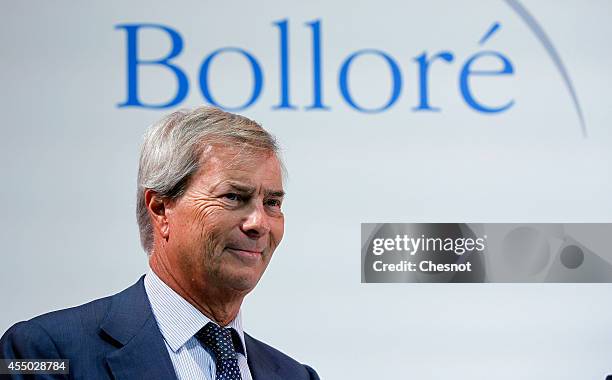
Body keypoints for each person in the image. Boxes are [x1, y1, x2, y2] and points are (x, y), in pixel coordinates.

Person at [0, 106, 320, 380]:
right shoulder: (42, 351)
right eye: (233, 197)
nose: (259, 223)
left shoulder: (296, 375)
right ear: (161, 209)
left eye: (273, 203)